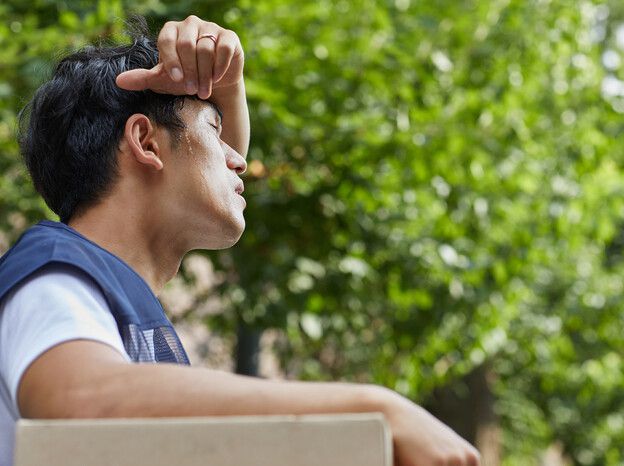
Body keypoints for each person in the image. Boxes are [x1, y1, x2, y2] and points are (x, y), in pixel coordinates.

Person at [0, 15, 480, 466]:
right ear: (145, 142)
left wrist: (228, 88)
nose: (240, 161)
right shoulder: (53, 269)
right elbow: (80, 400)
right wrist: (375, 408)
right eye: (216, 131)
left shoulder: (112, 303)